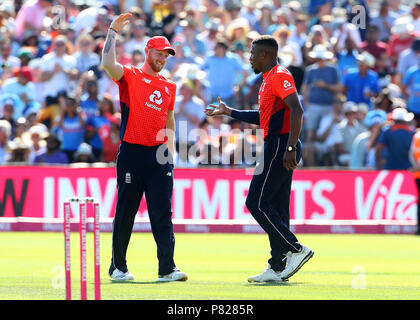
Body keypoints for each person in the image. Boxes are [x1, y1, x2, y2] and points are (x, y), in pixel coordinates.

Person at [205, 35, 314, 283]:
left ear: (265, 55)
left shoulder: (280, 75)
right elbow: (264, 117)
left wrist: (289, 149)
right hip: (278, 143)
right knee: (276, 206)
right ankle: (277, 266)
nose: (250, 57)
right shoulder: (267, 80)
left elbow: (297, 110)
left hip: (279, 145)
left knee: (256, 203)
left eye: (253, 53)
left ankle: (296, 249)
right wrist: (229, 112)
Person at [101, 13, 188, 282]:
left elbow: (169, 119)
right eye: (159, 53)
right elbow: (107, 63)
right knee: (126, 211)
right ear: (148, 51)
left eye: (166, 55)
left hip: (158, 155)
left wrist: (170, 153)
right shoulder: (131, 76)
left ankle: (167, 268)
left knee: (162, 212)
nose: (162, 59)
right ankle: (118, 267)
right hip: (132, 152)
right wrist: (113, 32)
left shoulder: (169, 86)